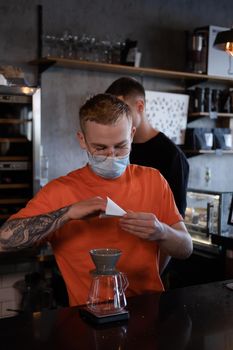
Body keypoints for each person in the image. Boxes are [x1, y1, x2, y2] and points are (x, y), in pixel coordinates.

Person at [0, 94, 193, 307]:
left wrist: (162, 232)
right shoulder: (59, 191)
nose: (111, 156)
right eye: (100, 148)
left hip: (148, 309)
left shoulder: (154, 180)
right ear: (82, 140)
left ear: (132, 134)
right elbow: (4, 241)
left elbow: (186, 248)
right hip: (87, 315)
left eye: (120, 146)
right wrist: (67, 214)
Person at [105, 77, 190, 274]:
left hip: (153, 270)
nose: (114, 117)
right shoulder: (120, 149)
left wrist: (153, 276)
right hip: (119, 263)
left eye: (120, 109)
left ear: (140, 106)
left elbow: (174, 227)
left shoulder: (172, 157)